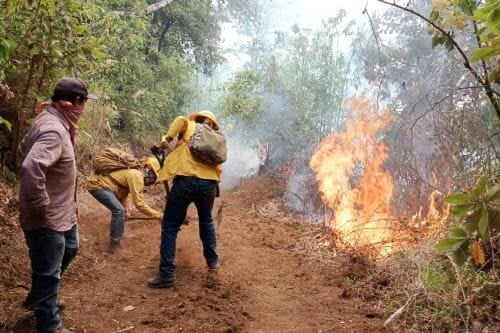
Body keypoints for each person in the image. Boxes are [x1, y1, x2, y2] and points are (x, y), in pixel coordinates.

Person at [18, 77, 98, 333]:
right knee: (49, 270)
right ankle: (49, 323)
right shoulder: (53, 129)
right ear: (75, 101)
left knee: (71, 248)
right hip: (47, 215)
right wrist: (40, 201)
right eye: (84, 102)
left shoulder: (53, 121)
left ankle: (39, 296)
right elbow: (31, 165)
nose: (84, 108)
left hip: (63, 211)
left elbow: (22, 150)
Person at [147, 110, 222, 289]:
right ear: (213, 124)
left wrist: (166, 140)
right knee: (206, 221)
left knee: (170, 225)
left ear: (197, 119)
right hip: (209, 185)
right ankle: (213, 265)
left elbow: (180, 119)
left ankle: (166, 274)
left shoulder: (189, 125)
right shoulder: (216, 138)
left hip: (186, 180)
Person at [86, 157, 162, 253]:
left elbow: (123, 193)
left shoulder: (134, 173)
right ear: (148, 171)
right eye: (153, 177)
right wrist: (158, 215)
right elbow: (139, 204)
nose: (151, 181)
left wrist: (126, 211)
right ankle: (114, 245)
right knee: (118, 211)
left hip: (102, 185)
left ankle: (114, 238)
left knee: (121, 211)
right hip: (97, 185)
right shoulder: (137, 176)